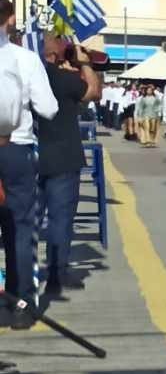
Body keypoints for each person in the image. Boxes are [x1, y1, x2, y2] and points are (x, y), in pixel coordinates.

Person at [0, 1, 57, 325]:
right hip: (15, 147)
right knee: (20, 229)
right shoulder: (25, 58)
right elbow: (48, 108)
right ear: (10, 20)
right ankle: (21, 304)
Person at [32, 34, 98, 301]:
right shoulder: (62, 78)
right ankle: (57, 274)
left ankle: (24, 274)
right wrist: (85, 63)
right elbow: (93, 91)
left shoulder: (23, 77)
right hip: (63, 158)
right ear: (52, 55)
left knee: (27, 220)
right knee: (60, 219)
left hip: (29, 157)